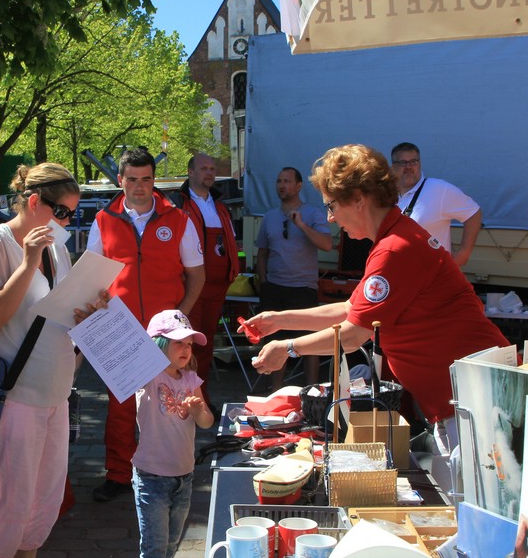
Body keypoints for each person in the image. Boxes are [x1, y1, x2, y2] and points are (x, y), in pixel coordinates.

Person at [246, 145, 507, 476]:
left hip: (475, 404)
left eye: (331, 205)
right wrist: (278, 321)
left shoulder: (395, 249)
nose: (329, 217)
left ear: (358, 199)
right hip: (464, 400)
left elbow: (354, 335)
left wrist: (288, 347)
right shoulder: (393, 239)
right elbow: (351, 309)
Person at [0, 164, 102, 558]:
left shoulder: (61, 247)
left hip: (54, 391)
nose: (68, 220)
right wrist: (26, 263)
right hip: (15, 397)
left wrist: (92, 309)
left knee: (42, 500)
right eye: (61, 210)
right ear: (32, 201)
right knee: (5, 504)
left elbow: (58, 313)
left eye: (75, 211)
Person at [85, 147, 205, 502]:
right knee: (121, 404)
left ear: (155, 180)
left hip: (166, 334)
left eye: (147, 179)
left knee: (173, 402)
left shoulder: (178, 219)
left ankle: (175, 471)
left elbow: (196, 277)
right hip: (121, 329)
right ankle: (119, 475)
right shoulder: (104, 220)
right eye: (132, 180)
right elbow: (92, 277)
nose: (140, 187)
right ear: (120, 180)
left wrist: (179, 321)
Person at [133, 310, 213, 558]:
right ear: (158, 344)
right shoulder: (148, 376)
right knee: (153, 542)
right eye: (178, 342)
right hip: (152, 476)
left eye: (190, 343)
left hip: (184, 475)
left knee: (170, 541)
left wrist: (198, 410)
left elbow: (207, 421)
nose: (186, 349)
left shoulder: (192, 380)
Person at [254, 166, 333, 391]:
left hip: (302, 287)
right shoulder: (269, 217)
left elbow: (326, 245)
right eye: (279, 181)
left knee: (310, 342)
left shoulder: (314, 214)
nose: (282, 185)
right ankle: (275, 391)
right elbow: (262, 252)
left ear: (299, 186)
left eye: (287, 181)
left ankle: (313, 392)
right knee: (273, 341)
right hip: (275, 288)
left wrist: (301, 226)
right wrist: (263, 282)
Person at [176, 153, 240, 410]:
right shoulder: (180, 204)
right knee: (186, 343)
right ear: (190, 172)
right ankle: (186, 398)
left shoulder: (219, 205)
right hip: (192, 286)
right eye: (204, 168)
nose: (210, 173)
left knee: (206, 343)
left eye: (213, 168)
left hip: (217, 286)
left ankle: (201, 397)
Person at [390, 142, 482, 267]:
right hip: (399, 272)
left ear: (420, 164)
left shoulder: (439, 189)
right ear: (392, 167)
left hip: (433, 277)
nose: (409, 167)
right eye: (402, 163)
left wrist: (464, 253)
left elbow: (473, 213)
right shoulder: (386, 195)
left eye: (413, 162)